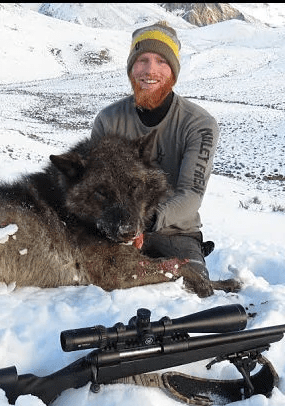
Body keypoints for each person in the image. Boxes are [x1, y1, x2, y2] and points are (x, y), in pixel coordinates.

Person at [91, 21, 218, 281]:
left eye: (161, 61)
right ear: (130, 68)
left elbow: (191, 194)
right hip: (115, 229)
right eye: (142, 60)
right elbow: (94, 186)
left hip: (175, 232)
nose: (150, 70)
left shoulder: (199, 124)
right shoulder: (108, 119)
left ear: (173, 71)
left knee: (189, 284)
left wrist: (142, 222)